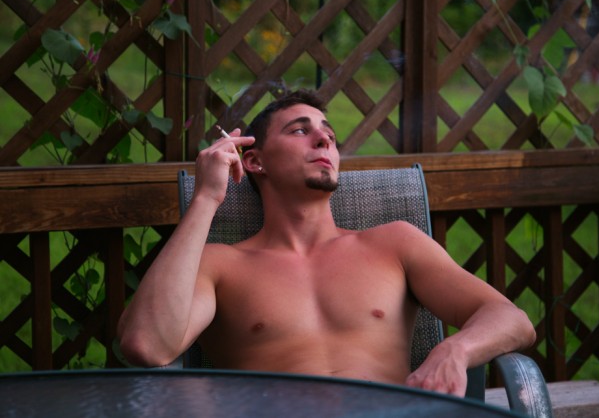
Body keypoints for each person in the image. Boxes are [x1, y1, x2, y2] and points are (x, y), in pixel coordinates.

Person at [117, 89, 536, 396]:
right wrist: (207, 197)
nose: (324, 141)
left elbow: (511, 318)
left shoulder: (394, 244)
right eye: (300, 130)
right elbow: (146, 345)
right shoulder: (221, 265)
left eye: (330, 136)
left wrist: (456, 349)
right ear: (254, 161)